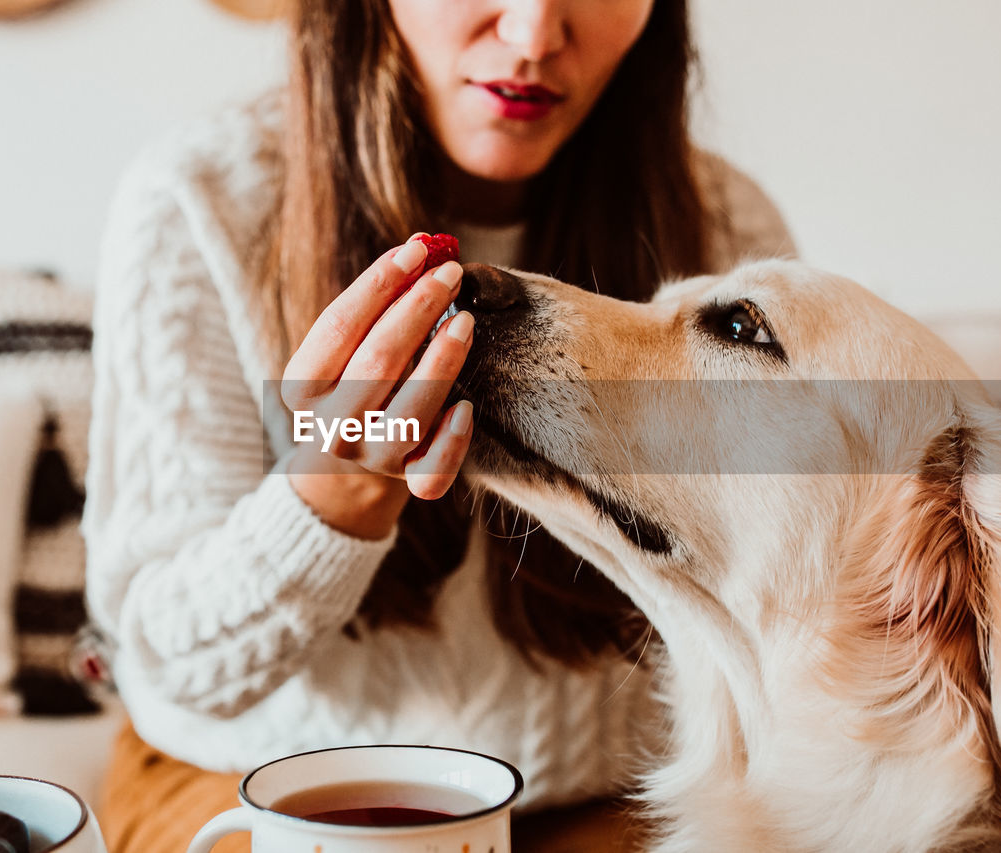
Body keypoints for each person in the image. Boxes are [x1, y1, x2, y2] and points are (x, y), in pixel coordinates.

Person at [83, 0, 795, 849]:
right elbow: (168, 663)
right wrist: (333, 493)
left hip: (608, 797)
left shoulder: (725, 234)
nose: (534, 35)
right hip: (261, 787)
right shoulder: (200, 202)